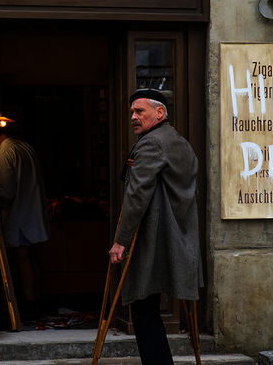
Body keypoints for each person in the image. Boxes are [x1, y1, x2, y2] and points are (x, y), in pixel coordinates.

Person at [108, 88, 202, 365]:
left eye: (140, 112)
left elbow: (136, 196)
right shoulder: (180, 142)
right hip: (177, 240)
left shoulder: (151, 144)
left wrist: (120, 241)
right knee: (148, 309)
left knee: (143, 310)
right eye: (132, 113)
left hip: (153, 241)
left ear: (159, 112)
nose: (134, 117)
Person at [0, 119, 48, 320]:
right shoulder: (24, 146)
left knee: (23, 258)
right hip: (33, 211)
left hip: (20, 214)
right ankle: (37, 299)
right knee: (33, 258)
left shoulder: (5, 153)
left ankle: (30, 304)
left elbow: (7, 191)